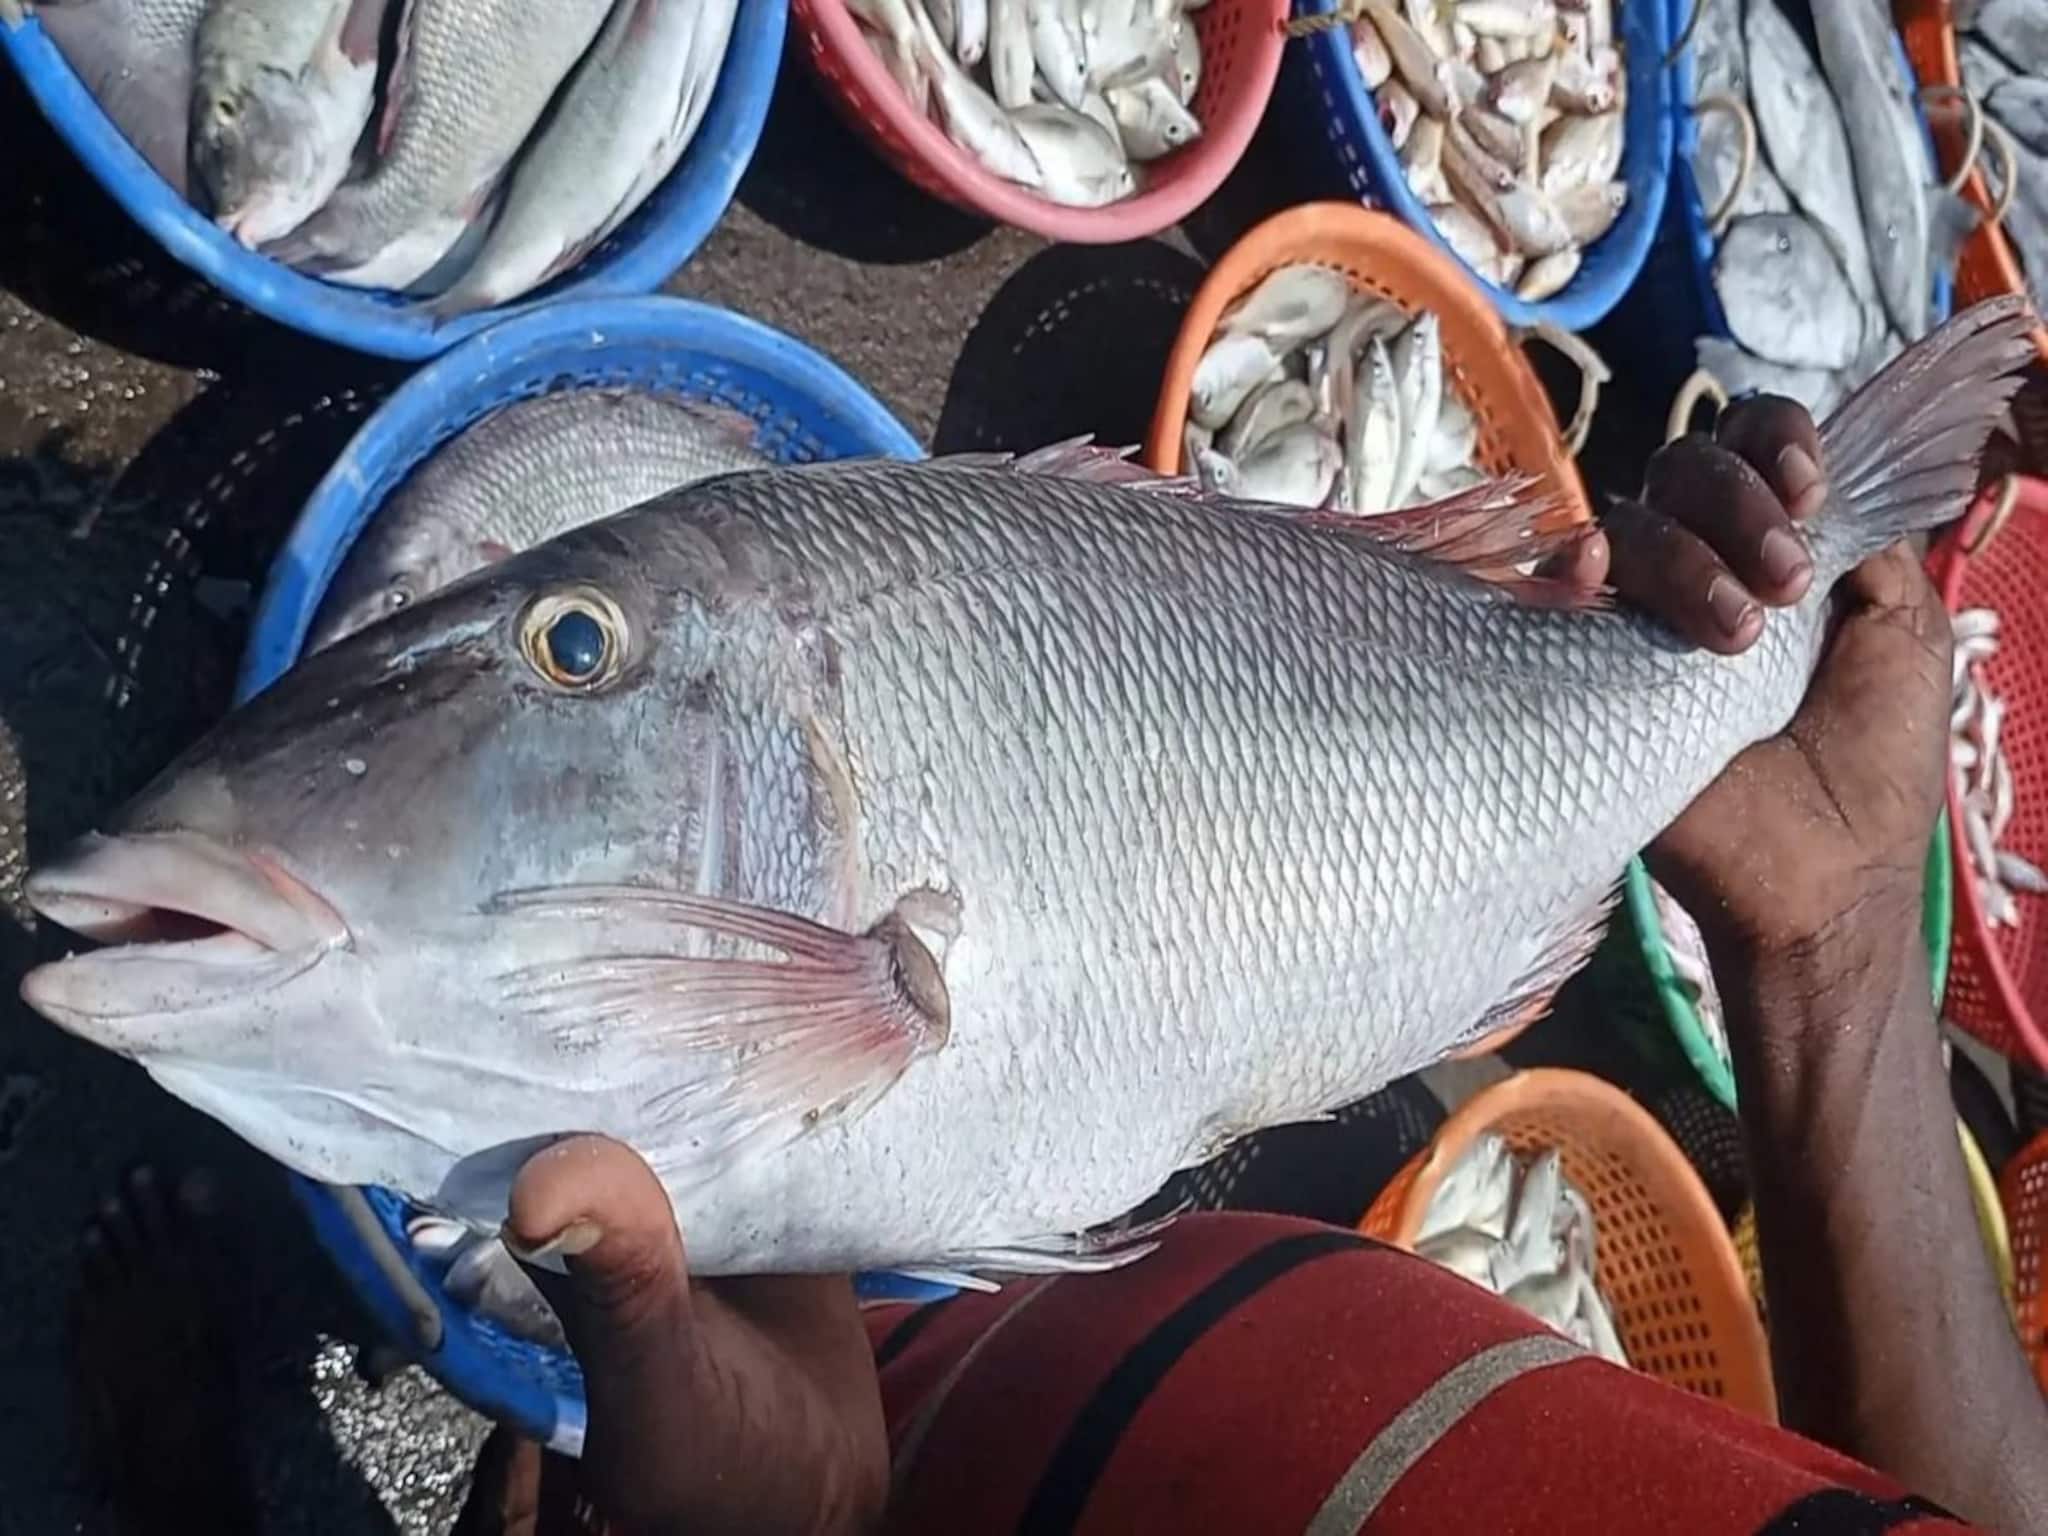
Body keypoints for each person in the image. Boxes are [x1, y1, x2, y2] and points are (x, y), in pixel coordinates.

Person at [72, 400, 2048, 1535]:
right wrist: (1838, 951)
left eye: (572, 649)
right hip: (1040, 1372)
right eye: (575, 647)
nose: (573, 653)